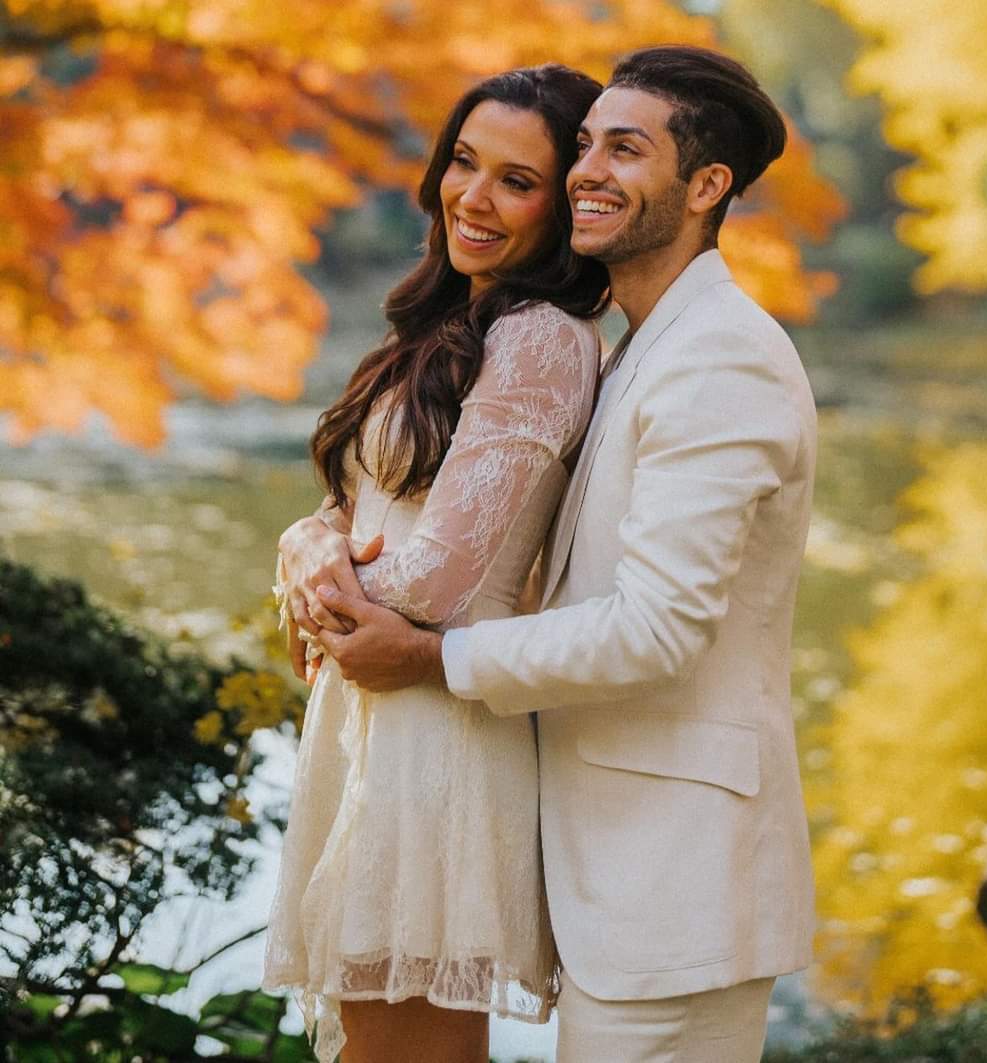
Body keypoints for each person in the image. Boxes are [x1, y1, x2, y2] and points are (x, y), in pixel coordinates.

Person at [303, 45, 818, 1063]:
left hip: (676, 876)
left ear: (706, 186)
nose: (588, 171)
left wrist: (431, 656)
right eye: (584, 146)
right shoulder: (634, 345)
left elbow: (658, 629)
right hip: (598, 854)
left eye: (626, 150)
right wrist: (311, 543)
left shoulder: (722, 357)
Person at [263, 64, 610, 1063]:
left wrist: (313, 586)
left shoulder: (542, 342)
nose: (474, 196)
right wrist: (306, 541)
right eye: (465, 161)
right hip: (374, 719)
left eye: (517, 181)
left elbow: (435, 581)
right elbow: (360, 507)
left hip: (437, 740)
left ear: (563, 207)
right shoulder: (450, 325)